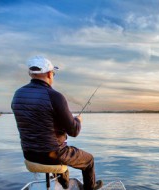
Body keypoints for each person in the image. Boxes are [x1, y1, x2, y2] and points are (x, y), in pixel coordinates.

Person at [11, 56, 103, 190]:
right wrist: (77, 120)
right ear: (49, 73)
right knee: (88, 160)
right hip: (52, 155)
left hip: (29, 153)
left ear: (31, 74)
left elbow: (36, 121)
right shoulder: (55, 96)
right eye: (53, 73)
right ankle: (90, 188)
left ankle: (64, 184)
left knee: (61, 148)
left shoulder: (18, 94)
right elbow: (74, 131)